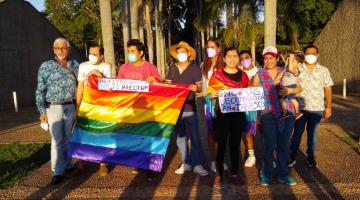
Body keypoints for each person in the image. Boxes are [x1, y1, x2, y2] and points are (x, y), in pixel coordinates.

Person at [252, 45, 300, 186]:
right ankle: (266, 174)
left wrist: (287, 90)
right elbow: (255, 96)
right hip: (268, 114)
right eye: (266, 58)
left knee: (284, 145)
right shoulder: (258, 74)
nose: (269, 61)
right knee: (269, 145)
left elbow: (299, 88)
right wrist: (256, 116)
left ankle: (283, 174)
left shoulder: (286, 71)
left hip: (287, 113)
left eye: (271, 58)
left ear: (277, 58)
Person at [35, 38, 79, 185]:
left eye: (64, 47)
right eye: (57, 48)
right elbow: (40, 90)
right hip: (53, 107)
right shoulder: (46, 66)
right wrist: (42, 111)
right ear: (54, 50)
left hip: (70, 106)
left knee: (68, 137)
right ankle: (57, 170)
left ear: (69, 49)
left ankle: (67, 164)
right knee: (57, 139)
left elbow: (84, 82)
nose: (60, 50)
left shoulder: (75, 65)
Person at [117, 39, 161, 179]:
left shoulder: (149, 67)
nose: (130, 54)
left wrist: (154, 80)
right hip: (130, 109)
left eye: (133, 51)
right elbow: (118, 86)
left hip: (146, 109)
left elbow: (159, 84)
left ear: (141, 53)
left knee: (148, 138)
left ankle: (150, 166)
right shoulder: (123, 68)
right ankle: (138, 162)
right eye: (128, 51)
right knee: (134, 137)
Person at [207, 47, 249, 186]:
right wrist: (211, 95)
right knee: (221, 145)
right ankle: (218, 175)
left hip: (239, 115)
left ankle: (235, 174)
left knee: (235, 145)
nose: (232, 58)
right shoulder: (217, 75)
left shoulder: (244, 76)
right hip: (222, 115)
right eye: (229, 56)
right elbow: (209, 94)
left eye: (235, 56)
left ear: (238, 58)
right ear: (224, 59)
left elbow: (247, 94)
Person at [166, 41, 209, 176]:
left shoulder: (195, 68)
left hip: (190, 108)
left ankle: (197, 164)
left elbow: (200, 88)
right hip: (176, 109)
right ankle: (186, 163)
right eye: (178, 52)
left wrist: (196, 88)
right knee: (180, 138)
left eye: (183, 52)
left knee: (195, 136)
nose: (180, 54)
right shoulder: (172, 68)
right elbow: (167, 86)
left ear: (189, 53)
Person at [288, 44, 334, 168]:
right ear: (304, 54)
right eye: (308, 53)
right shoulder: (297, 69)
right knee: (297, 132)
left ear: (318, 55)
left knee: (312, 134)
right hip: (300, 109)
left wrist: (328, 106)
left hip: (317, 108)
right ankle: (292, 155)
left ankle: (311, 156)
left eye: (313, 53)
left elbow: (328, 88)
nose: (311, 56)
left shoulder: (324, 70)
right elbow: (289, 81)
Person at [76, 44, 112, 176]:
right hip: (86, 103)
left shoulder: (106, 67)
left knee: (102, 132)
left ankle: (103, 163)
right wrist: (78, 105)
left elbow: (109, 87)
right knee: (82, 132)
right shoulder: (82, 66)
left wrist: (99, 75)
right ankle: (81, 162)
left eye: (95, 54)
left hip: (101, 104)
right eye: (90, 53)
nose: (91, 56)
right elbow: (80, 86)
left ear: (101, 56)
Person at [201, 37, 228, 173]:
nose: (209, 49)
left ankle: (221, 159)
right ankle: (213, 160)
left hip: (224, 102)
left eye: (212, 47)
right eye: (208, 47)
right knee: (211, 131)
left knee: (222, 132)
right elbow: (202, 87)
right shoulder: (203, 66)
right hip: (209, 102)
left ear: (219, 49)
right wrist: (208, 95)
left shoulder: (225, 65)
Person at [239, 50, 258, 167]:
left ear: (251, 58)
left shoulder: (259, 71)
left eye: (247, 57)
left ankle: (270, 157)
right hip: (245, 106)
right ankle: (251, 156)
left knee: (265, 132)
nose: (244, 60)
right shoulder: (238, 72)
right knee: (248, 132)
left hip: (259, 107)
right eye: (242, 58)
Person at [274, 51, 303, 120]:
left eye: (293, 61)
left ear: (299, 63)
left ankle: (297, 112)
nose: (291, 62)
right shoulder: (286, 67)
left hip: (291, 86)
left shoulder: (296, 69)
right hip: (285, 86)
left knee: (290, 99)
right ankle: (286, 112)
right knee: (282, 99)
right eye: (290, 61)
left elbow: (290, 68)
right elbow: (282, 73)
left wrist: (291, 57)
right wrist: (276, 80)